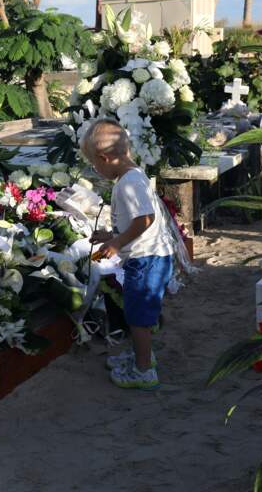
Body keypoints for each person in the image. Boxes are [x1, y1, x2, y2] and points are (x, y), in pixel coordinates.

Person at [82, 119, 175, 390]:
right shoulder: (131, 176)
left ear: (105, 158)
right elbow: (137, 220)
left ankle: (144, 369)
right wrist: (111, 237)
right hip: (148, 257)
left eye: (94, 165)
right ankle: (141, 354)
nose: (96, 170)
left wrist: (117, 242)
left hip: (147, 260)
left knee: (138, 317)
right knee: (138, 313)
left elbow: (144, 219)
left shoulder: (130, 182)